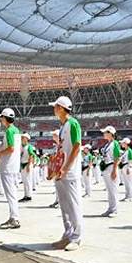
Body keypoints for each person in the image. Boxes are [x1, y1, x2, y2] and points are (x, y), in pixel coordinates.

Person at [49, 96, 83, 251]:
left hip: (69, 171)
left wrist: (66, 168)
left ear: (61, 108)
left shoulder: (73, 123)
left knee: (73, 204)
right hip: (61, 170)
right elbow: (61, 149)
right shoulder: (63, 126)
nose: (54, 109)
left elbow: (77, 146)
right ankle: (68, 234)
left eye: (55, 107)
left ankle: (76, 237)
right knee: (64, 205)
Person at [0, 108, 22, 229]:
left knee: (10, 194)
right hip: (13, 166)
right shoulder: (16, 130)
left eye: (1, 118)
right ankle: (13, 217)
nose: (1, 120)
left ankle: (14, 218)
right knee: (12, 193)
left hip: (8, 167)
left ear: (5, 118)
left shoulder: (9, 131)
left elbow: (11, 148)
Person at [99, 125, 121, 217]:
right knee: (109, 190)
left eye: (105, 132)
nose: (103, 134)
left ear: (111, 134)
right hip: (106, 167)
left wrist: (114, 170)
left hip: (112, 166)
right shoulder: (107, 144)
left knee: (113, 189)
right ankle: (110, 208)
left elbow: (117, 157)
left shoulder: (115, 143)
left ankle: (114, 210)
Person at [19, 133, 35, 203]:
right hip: (22, 164)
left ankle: (29, 196)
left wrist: (29, 165)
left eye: (23, 137)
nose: (22, 138)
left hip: (27, 164)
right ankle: (25, 195)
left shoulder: (29, 146)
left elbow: (31, 155)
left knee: (28, 181)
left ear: (27, 139)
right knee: (24, 181)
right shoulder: (21, 147)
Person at [119, 137, 132, 202]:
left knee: (129, 182)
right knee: (126, 182)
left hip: (128, 166)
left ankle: (130, 196)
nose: (122, 144)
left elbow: (130, 160)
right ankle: (127, 195)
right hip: (124, 166)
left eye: (123, 143)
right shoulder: (125, 151)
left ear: (126, 143)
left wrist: (128, 168)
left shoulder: (129, 150)